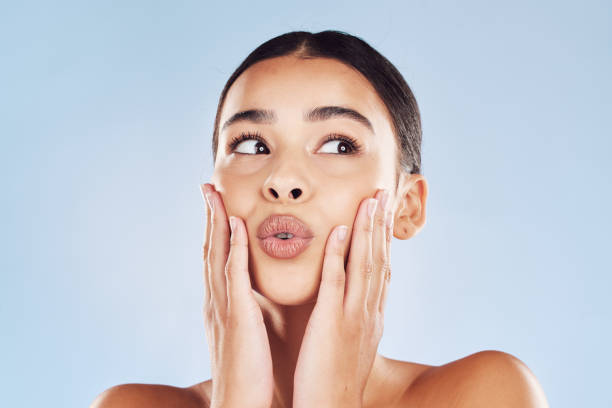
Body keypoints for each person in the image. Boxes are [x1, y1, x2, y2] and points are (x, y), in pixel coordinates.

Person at [91, 30, 549, 408]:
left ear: (407, 206)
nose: (283, 180)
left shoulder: (485, 393)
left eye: (339, 145)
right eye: (251, 145)